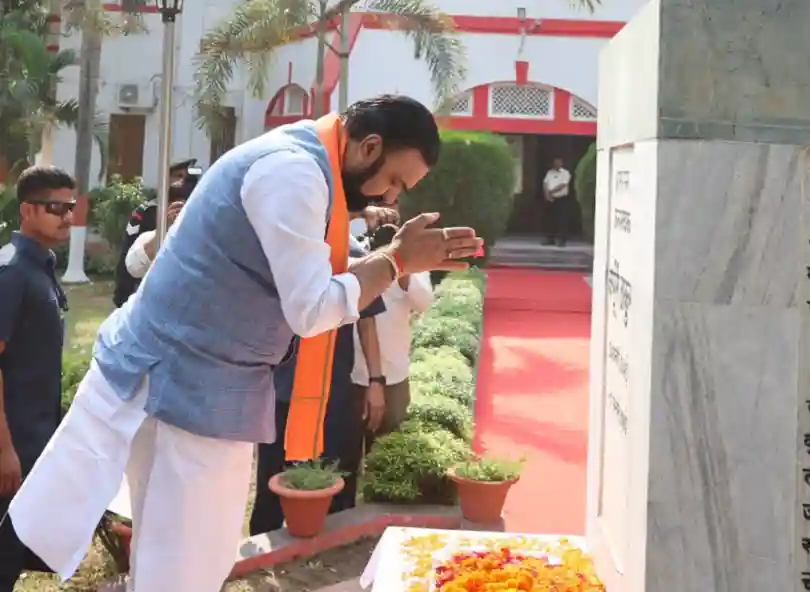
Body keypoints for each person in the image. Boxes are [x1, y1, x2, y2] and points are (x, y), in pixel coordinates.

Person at [8, 96, 482, 592]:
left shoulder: (304, 159)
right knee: (187, 569)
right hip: (189, 392)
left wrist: (392, 255)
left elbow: (322, 262)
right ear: (369, 146)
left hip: (180, 383)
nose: (389, 196)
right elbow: (314, 308)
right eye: (394, 181)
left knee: (174, 562)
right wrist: (398, 261)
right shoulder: (294, 173)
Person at [249, 236, 387, 534]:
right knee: (272, 479)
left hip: (334, 388)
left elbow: (367, 324)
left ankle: (334, 546)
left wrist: (376, 380)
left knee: (337, 477)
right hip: (282, 388)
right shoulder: (284, 249)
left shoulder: (353, 258)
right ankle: (265, 546)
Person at [0, 166, 76, 592]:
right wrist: (4, 447)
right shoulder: (11, 274)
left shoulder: (40, 268)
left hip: (33, 439)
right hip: (10, 444)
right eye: (55, 208)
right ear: (28, 210)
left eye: (70, 207)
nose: (66, 216)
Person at [349, 218, 434, 452]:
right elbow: (364, 322)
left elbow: (424, 303)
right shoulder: (360, 263)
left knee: (388, 449)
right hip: (354, 374)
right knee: (349, 450)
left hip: (395, 374)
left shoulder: (416, 269)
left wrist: (404, 272)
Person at [111, 159, 199, 309]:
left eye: (186, 178)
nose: (181, 182)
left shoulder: (197, 211)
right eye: (178, 176)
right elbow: (132, 252)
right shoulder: (148, 211)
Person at [543, 158, 571, 247]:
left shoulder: (565, 173)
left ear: (561, 163)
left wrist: (552, 191)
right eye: (555, 163)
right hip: (551, 199)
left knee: (561, 220)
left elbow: (563, 184)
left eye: (558, 163)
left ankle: (561, 240)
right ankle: (549, 238)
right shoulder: (550, 173)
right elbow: (545, 183)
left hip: (561, 199)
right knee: (550, 220)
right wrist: (547, 195)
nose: (556, 164)